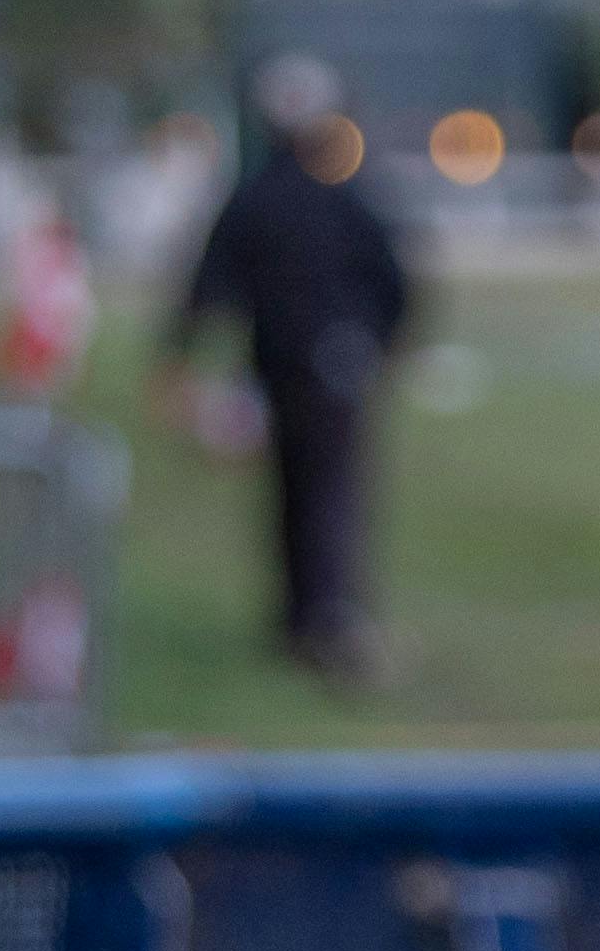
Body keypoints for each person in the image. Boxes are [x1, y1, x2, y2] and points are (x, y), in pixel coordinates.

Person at [163, 55, 414, 681]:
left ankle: (307, 618)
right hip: (333, 370)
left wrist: (177, 358)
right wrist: (382, 346)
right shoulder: (346, 200)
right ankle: (326, 620)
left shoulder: (253, 198)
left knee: (294, 495)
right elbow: (398, 284)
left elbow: (205, 286)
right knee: (329, 493)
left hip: (280, 371)